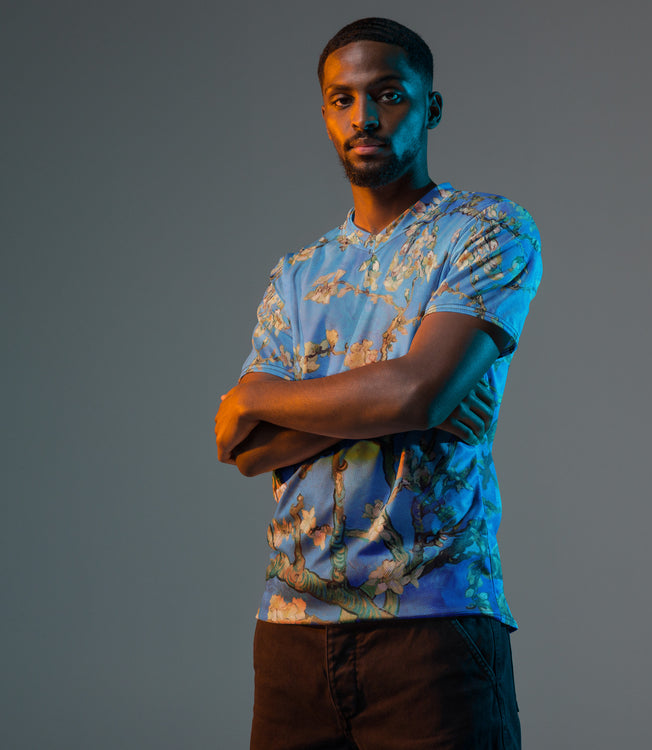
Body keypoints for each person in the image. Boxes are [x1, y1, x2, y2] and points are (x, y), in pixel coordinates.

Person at [215, 17, 542, 750]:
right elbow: (247, 450)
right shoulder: (297, 274)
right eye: (343, 99)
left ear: (430, 108)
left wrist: (256, 395)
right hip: (291, 633)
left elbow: (415, 393)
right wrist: (399, 397)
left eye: (389, 95)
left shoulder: (486, 231)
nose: (363, 116)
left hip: (433, 628)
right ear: (326, 113)